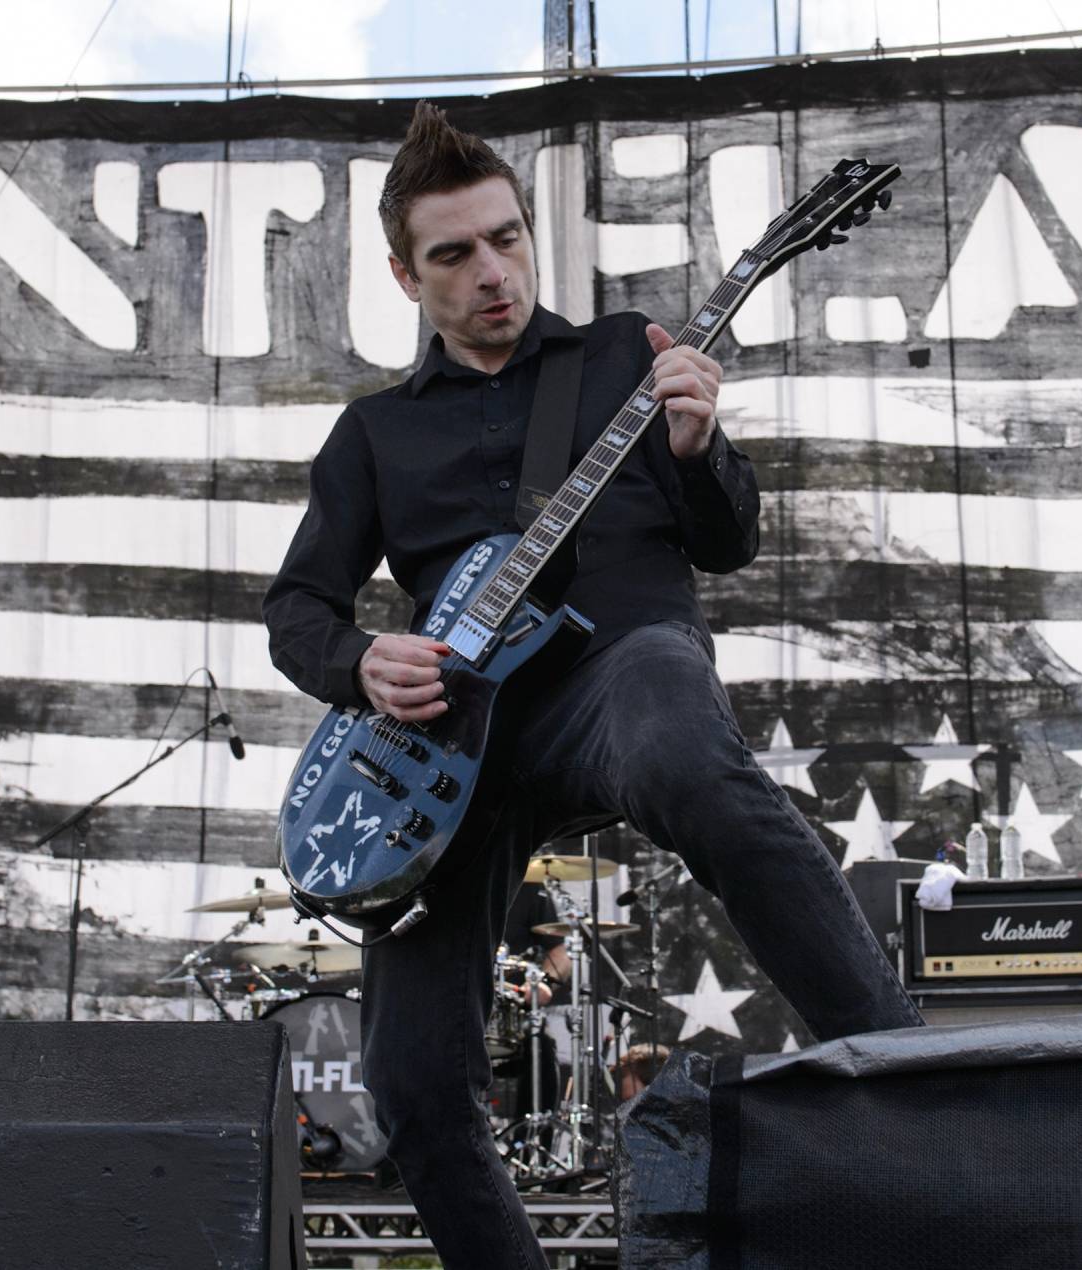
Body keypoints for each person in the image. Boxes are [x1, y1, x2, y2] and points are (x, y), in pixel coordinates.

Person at [262, 102, 920, 1268]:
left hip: (618, 665)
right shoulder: (371, 435)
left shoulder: (624, 354)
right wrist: (361, 659)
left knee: (687, 758)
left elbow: (723, 544)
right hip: (449, 742)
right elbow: (295, 609)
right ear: (402, 272)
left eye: (506, 239)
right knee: (411, 1086)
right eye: (454, 254)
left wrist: (696, 448)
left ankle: (922, 1087)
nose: (492, 273)